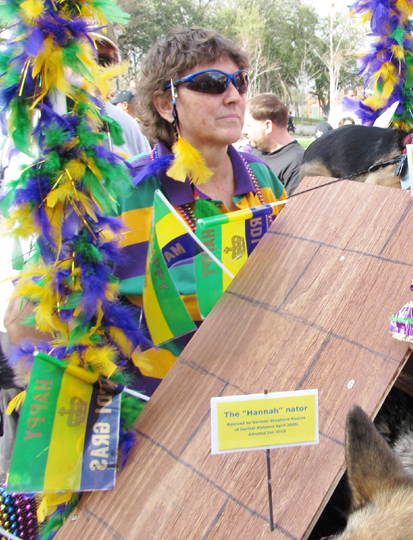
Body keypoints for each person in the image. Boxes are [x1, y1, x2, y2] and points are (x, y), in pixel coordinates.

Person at [115, 27, 286, 393]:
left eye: (239, 82)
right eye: (211, 83)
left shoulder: (264, 180)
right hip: (162, 411)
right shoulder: (125, 193)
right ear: (166, 103)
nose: (234, 97)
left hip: (259, 395)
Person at [93, 32, 152, 159]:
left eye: (104, 61)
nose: (91, 69)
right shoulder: (42, 122)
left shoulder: (129, 128)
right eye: (81, 58)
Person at [242, 93, 305, 196]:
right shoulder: (253, 154)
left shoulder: (297, 162)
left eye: (248, 125)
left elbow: (293, 209)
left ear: (267, 126)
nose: (244, 131)